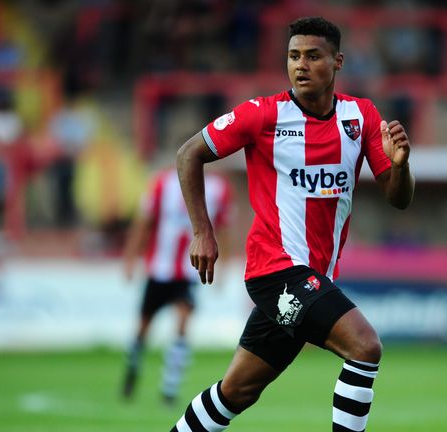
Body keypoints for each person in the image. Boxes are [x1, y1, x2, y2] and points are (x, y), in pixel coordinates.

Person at [172, 16, 415, 432]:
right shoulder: (262, 115)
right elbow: (188, 154)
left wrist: (401, 166)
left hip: (313, 278)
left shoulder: (361, 118)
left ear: (338, 62)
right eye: (293, 56)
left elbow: (398, 198)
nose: (301, 65)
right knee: (365, 346)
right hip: (276, 270)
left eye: (313, 56)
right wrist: (202, 231)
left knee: (238, 391)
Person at [120, 165, 233, 404]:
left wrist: (223, 267)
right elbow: (144, 223)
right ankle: (132, 369)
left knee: (182, 325)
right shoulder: (162, 183)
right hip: (159, 270)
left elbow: (222, 229)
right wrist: (131, 258)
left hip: (189, 272)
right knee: (143, 327)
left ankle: (169, 389)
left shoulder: (219, 189)